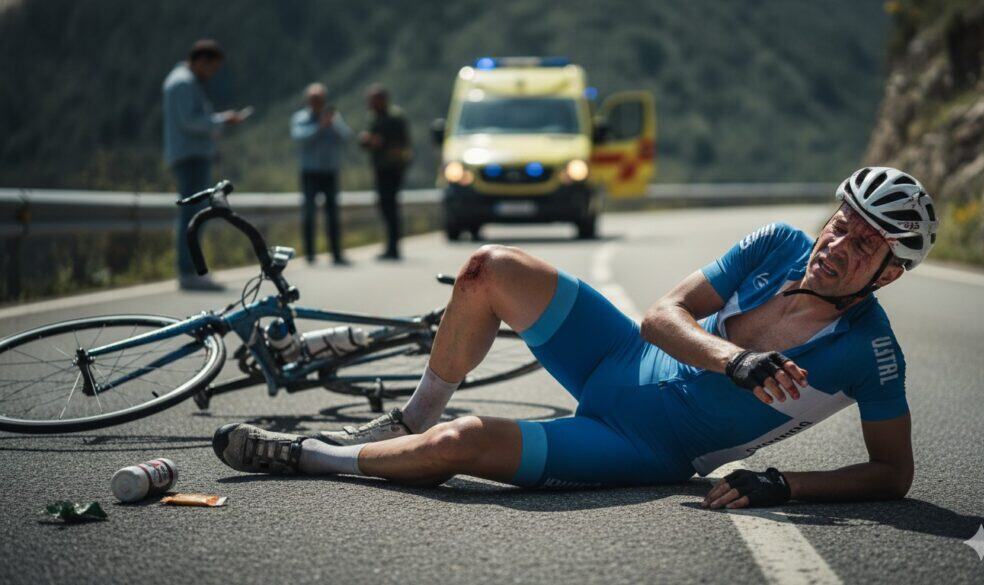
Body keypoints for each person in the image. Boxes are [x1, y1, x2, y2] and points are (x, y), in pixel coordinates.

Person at [213, 167, 938, 509]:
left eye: (864, 243)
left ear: (890, 273)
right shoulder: (778, 242)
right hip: (619, 354)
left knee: (461, 444)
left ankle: (310, 456)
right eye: (841, 223)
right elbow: (661, 316)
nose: (837, 244)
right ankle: (406, 419)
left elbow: (892, 474)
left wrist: (784, 483)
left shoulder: (870, 353)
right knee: (490, 268)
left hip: (640, 444)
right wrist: (734, 360)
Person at [162, 39, 249, 290]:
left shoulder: (185, 81)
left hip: (192, 155)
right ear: (202, 61)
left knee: (193, 213)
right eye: (212, 67)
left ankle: (191, 269)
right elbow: (190, 121)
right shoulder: (183, 82)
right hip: (190, 156)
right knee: (192, 215)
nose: (212, 73)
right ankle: (189, 271)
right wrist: (221, 120)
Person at [291, 83, 352, 265]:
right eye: (314, 99)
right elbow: (299, 137)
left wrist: (332, 125)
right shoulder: (300, 118)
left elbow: (346, 136)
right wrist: (320, 127)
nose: (317, 102)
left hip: (329, 171)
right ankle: (310, 254)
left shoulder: (333, 117)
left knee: (333, 214)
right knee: (309, 213)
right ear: (308, 101)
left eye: (320, 99)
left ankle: (336, 253)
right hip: (309, 172)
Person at [359, 84, 411, 260]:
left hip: (393, 169)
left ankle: (393, 247)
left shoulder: (395, 117)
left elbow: (402, 142)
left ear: (383, 100)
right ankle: (391, 246)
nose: (371, 104)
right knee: (385, 206)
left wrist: (381, 142)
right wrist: (368, 141)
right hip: (380, 168)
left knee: (390, 207)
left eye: (374, 100)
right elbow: (368, 142)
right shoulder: (373, 117)